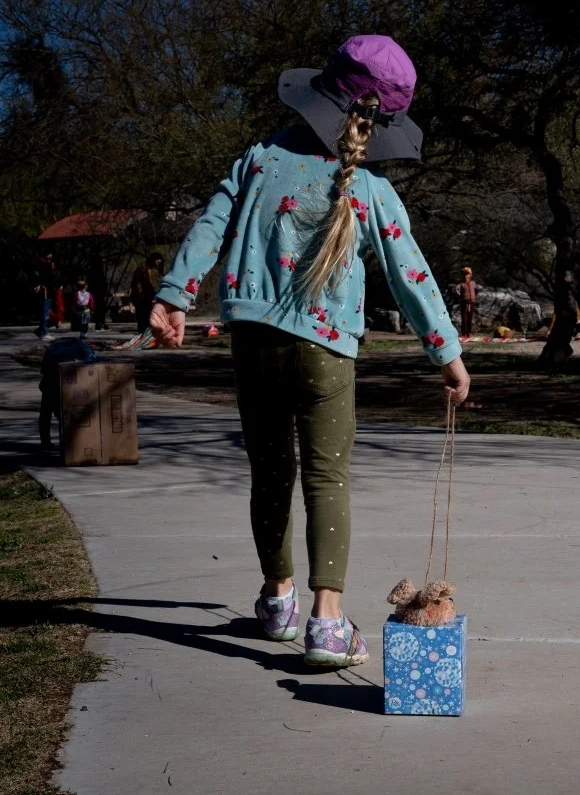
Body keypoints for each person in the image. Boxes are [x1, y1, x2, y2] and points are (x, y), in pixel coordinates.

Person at [149, 35, 471, 669]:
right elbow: (412, 273)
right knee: (328, 478)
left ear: (321, 95)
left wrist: (174, 296)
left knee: (270, 472)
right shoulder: (371, 189)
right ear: (381, 125)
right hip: (325, 353)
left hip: (252, 342)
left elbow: (210, 224)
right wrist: (448, 355)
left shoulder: (260, 158)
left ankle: (277, 603)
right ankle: (326, 625)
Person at [39, 338, 96, 450]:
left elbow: (44, 370)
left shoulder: (53, 351)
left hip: (51, 382)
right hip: (63, 383)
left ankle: (46, 442)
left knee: (48, 412)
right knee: (64, 415)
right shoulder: (84, 350)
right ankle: (68, 442)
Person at [130, 252, 164, 333]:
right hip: (142, 298)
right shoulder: (143, 268)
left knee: (147, 319)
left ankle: (146, 336)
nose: (158, 264)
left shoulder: (152, 270)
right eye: (157, 262)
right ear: (153, 260)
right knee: (143, 319)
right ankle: (143, 336)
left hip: (147, 298)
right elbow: (136, 283)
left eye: (160, 263)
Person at [34, 251, 57, 339]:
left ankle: (42, 329)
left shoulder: (49, 264)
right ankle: (44, 332)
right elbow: (46, 276)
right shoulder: (44, 265)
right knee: (45, 311)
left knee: (47, 310)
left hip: (49, 289)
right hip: (45, 289)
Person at [454, 266, 478, 337]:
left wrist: (475, 294)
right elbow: (456, 290)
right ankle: (464, 333)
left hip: (471, 302)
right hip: (464, 302)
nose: (465, 276)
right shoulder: (461, 284)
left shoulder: (473, 283)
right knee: (464, 318)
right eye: (464, 274)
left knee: (470, 318)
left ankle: (469, 333)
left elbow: (477, 289)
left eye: (467, 274)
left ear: (470, 275)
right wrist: (460, 296)